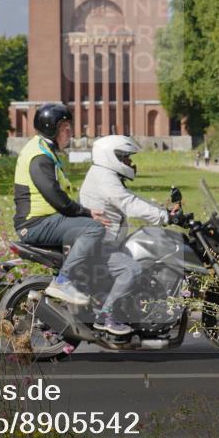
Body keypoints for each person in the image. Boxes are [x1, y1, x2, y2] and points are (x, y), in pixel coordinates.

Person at [79, 135, 176, 335]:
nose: (130, 163)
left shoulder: (105, 175)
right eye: (126, 158)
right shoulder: (104, 177)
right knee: (131, 270)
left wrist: (162, 210)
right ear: (112, 157)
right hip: (100, 244)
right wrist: (163, 216)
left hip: (107, 240)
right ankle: (105, 316)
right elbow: (128, 203)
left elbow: (130, 198)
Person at [14, 103, 109, 306]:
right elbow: (56, 198)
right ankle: (63, 282)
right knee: (93, 230)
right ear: (51, 128)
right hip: (36, 224)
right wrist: (86, 213)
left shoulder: (43, 150)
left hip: (45, 221)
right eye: (65, 128)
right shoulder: (39, 157)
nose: (70, 132)